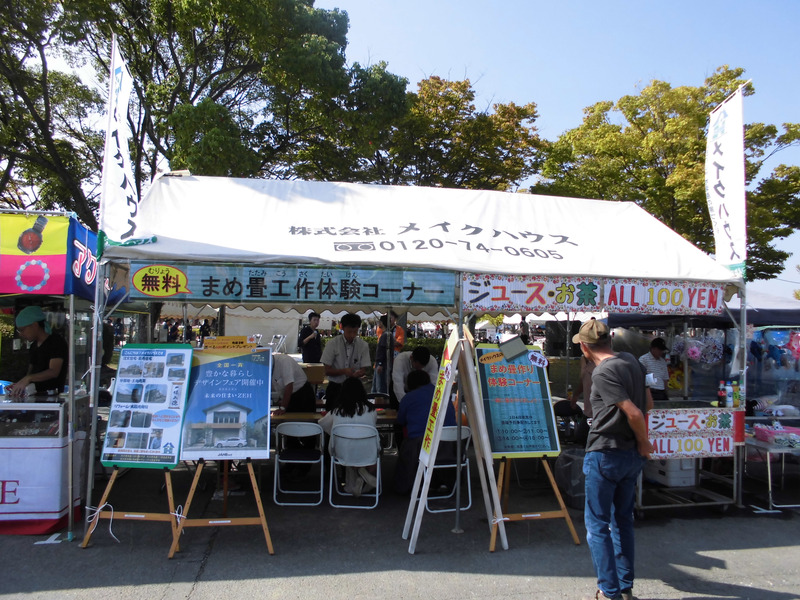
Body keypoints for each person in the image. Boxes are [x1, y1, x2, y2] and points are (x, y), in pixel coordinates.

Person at [573, 319, 653, 600]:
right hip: (630, 456)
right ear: (609, 340)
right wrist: (640, 444)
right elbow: (648, 404)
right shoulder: (631, 360)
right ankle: (624, 586)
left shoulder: (602, 372)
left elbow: (633, 412)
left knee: (597, 525)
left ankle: (608, 591)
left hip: (606, 452)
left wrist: (645, 442)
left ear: (585, 346)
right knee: (622, 520)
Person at [393, 370, 456, 494]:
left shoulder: (409, 398)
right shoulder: (442, 394)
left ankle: (410, 484)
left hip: (421, 447)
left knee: (408, 444)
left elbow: (400, 420)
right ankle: (442, 482)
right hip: (450, 448)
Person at [319, 377, 379, 496]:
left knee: (348, 448)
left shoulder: (337, 410)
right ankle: (363, 476)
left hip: (342, 451)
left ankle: (355, 482)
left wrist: (341, 433)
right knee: (368, 453)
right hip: (368, 451)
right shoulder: (372, 410)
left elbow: (322, 424)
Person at [6, 306, 69, 396]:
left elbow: (54, 371)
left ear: (35, 325)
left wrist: (29, 378)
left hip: (52, 397)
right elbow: (30, 372)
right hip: (34, 397)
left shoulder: (56, 342)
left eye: (22, 330)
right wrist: (20, 385)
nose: (21, 334)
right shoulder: (34, 346)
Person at [321, 312, 371, 411]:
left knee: (357, 415)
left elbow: (364, 369)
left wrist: (360, 373)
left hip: (355, 387)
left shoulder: (363, 345)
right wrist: (344, 371)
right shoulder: (332, 344)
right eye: (349, 332)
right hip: (335, 388)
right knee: (332, 416)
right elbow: (326, 371)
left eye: (355, 332)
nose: (352, 335)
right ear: (342, 327)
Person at [638, 337, 670, 402]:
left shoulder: (662, 361)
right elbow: (639, 377)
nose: (661, 352)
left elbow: (665, 379)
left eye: (662, 350)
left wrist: (666, 392)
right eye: (659, 350)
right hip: (650, 391)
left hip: (661, 391)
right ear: (653, 349)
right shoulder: (643, 359)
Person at [371, 315, 392, 395]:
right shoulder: (387, 335)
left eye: (380, 321)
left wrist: (380, 364)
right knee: (378, 385)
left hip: (382, 365)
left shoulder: (385, 335)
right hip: (383, 364)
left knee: (379, 386)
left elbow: (383, 351)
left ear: (382, 323)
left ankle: (379, 403)